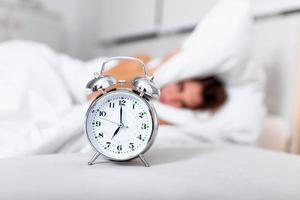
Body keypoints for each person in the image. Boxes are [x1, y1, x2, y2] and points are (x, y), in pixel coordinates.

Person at [88, 54, 227, 113]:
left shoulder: (161, 113)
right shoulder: (143, 60)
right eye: (180, 88)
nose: (172, 99)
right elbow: (93, 94)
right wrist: (159, 68)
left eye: (182, 104)